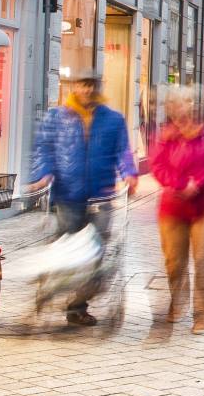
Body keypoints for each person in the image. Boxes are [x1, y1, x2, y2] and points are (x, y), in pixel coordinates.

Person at [28, 70, 138, 326]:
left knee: (95, 254)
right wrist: (43, 174)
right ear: (74, 87)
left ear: (97, 88)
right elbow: (44, 148)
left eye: (91, 85)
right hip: (68, 195)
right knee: (68, 252)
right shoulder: (57, 117)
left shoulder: (113, 119)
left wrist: (129, 173)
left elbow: (122, 150)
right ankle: (49, 286)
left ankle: (77, 307)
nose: (87, 90)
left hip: (101, 196)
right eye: (82, 85)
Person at [149, 89, 204, 334]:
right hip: (173, 206)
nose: (182, 107)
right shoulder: (165, 135)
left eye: (187, 101)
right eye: (176, 102)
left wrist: (199, 181)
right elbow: (156, 165)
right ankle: (178, 301)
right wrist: (178, 184)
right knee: (174, 261)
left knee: (203, 261)